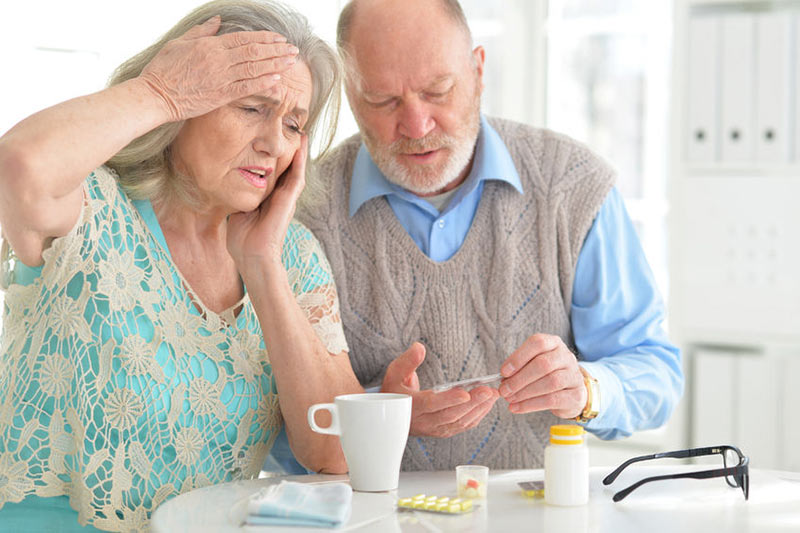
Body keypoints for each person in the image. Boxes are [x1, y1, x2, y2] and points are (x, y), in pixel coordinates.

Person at [0, 1, 363, 530]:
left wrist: (262, 268)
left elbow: (338, 453)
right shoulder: (92, 209)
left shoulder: (292, 256)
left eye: (292, 124)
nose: (272, 143)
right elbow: (17, 168)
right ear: (188, 102)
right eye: (251, 108)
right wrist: (159, 91)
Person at [292, 0, 684, 471]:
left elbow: (655, 374)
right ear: (351, 97)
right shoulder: (302, 213)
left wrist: (584, 386)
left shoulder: (574, 188)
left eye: (438, 91)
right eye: (383, 100)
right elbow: (271, 427)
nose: (417, 126)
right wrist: (378, 414)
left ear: (478, 71)